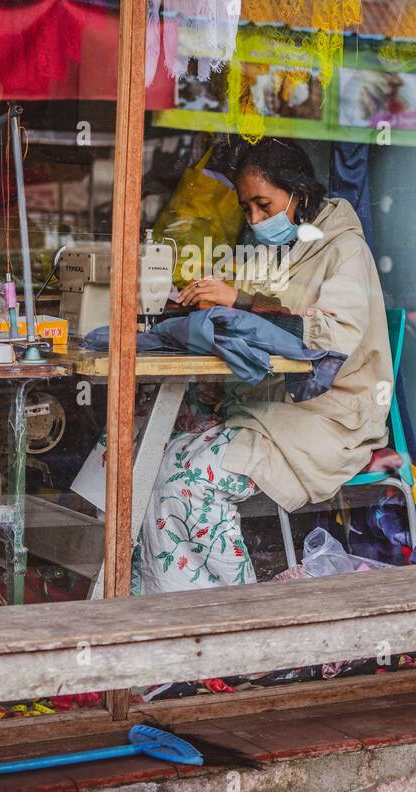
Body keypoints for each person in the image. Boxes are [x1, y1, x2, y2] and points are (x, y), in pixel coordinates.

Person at [134, 137, 393, 593]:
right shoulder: (277, 250)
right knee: (148, 456)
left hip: (329, 420)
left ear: (300, 196)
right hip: (274, 411)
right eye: (246, 208)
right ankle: (168, 606)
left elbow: (329, 336)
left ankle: (236, 608)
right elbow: (262, 311)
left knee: (187, 481)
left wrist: (239, 302)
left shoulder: (345, 250)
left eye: (263, 205)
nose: (253, 220)